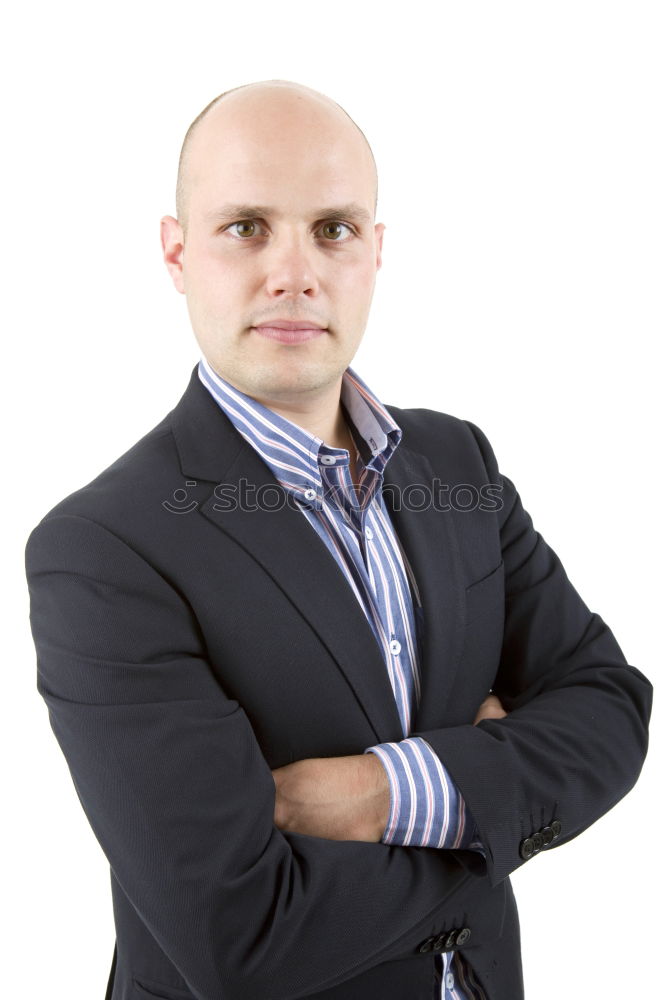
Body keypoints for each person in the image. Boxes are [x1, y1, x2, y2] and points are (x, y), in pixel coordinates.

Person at [25, 79, 652, 1000]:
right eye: (245, 226)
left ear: (374, 251)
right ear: (176, 252)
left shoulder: (455, 461)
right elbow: (239, 937)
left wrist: (382, 794)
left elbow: (609, 708)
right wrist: (488, 805)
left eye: (333, 228)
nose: (296, 273)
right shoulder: (103, 548)